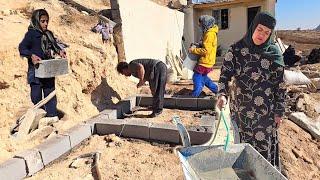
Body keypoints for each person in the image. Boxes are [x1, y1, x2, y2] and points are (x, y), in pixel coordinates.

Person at [216, 12, 285, 168]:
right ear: (253, 26)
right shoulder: (236, 50)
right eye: (260, 29)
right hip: (241, 115)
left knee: (262, 156)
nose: (262, 35)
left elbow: (280, 86)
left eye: (267, 33)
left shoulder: (274, 54)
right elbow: (224, 76)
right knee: (242, 152)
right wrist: (222, 95)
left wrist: (279, 111)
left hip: (265, 117)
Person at [19, 9, 66, 117]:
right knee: (36, 96)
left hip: (48, 70)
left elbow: (55, 46)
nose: (45, 24)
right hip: (35, 71)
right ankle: (38, 117)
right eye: (42, 21)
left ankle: (52, 117)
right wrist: (32, 56)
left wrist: (60, 51)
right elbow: (22, 48)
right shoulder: (30, 35)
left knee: (50, 94)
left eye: (46, 21)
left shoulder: (48, 34)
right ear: (36, 21)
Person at [188, 15, 218, 97]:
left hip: (205, 61)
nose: (200, 26)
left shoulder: (209, 34)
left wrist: (193, 50)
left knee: (196, 77)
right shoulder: (210, 32)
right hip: (209, 61)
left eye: (201, 24)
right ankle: (218, 91)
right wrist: (199, 44)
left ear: (206, 23)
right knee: (204, 78)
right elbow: (207, 46)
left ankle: (195, 95)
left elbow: (206, 50)